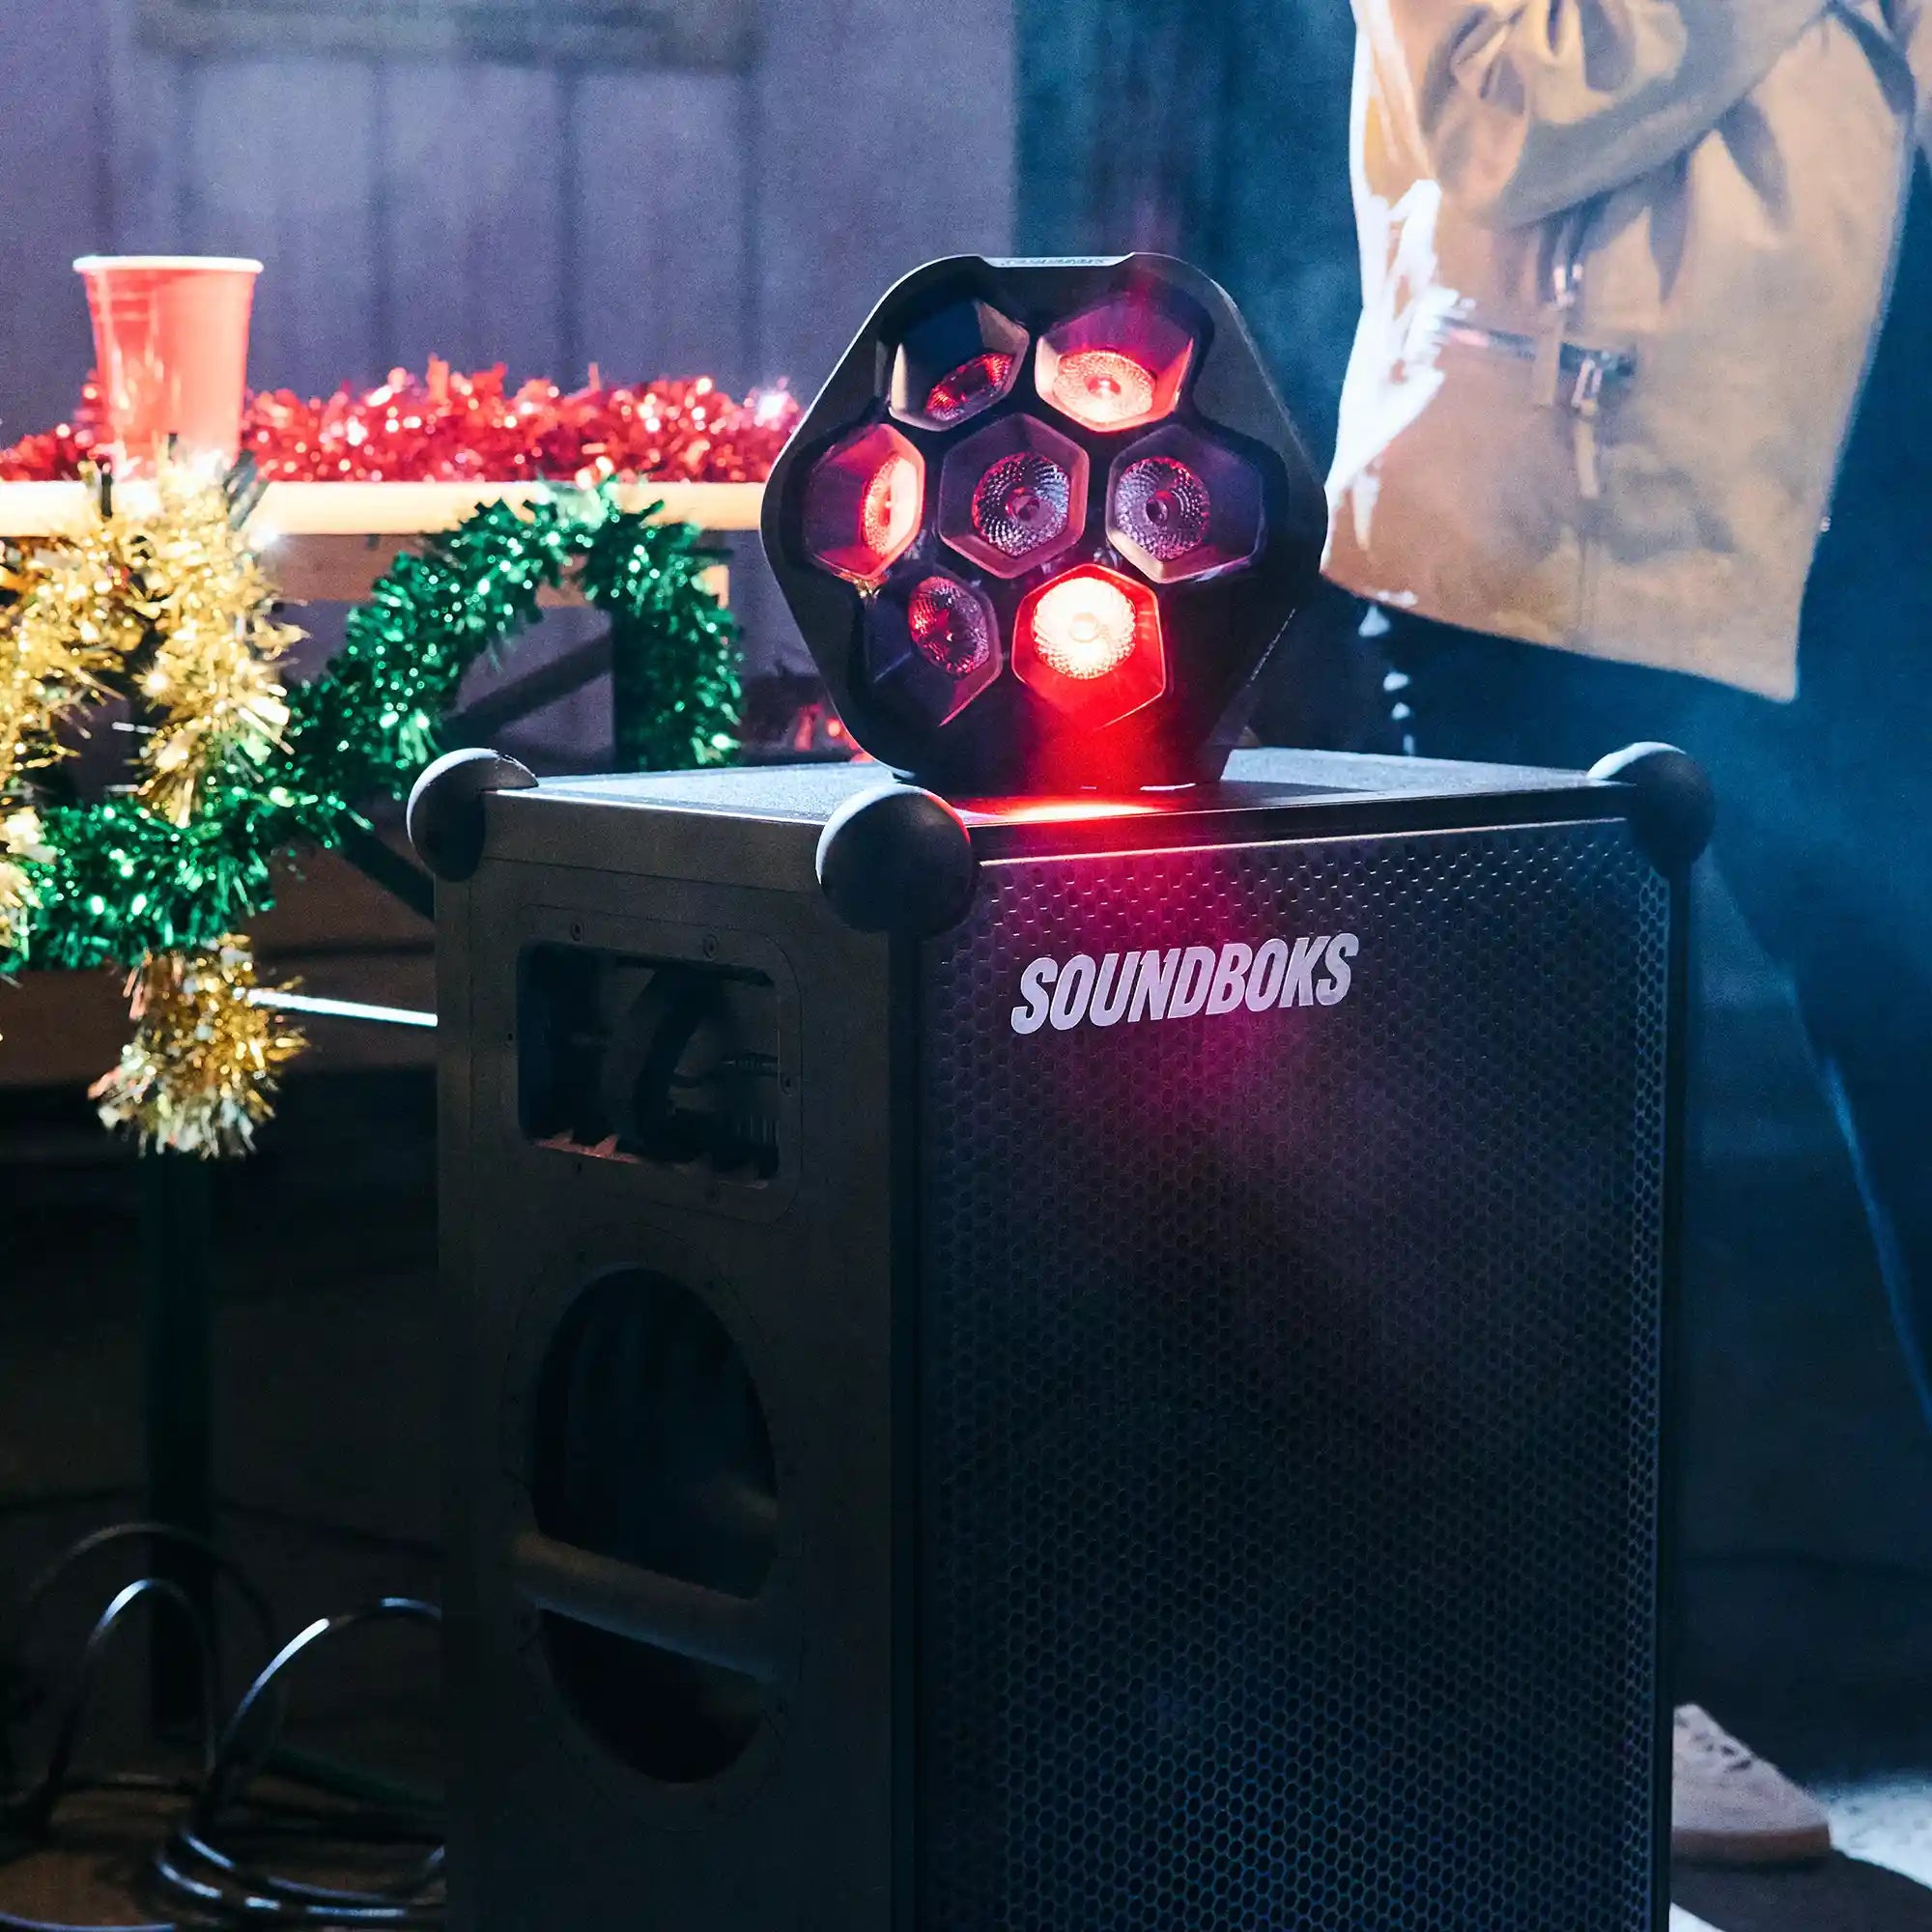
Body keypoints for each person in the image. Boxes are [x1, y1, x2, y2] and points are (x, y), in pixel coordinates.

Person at [1326, 0, 1932, 1869]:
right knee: (1553, 1150)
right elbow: (1493, 118)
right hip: (1567, 555)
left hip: (1858, 531)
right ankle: (1568, 1696)